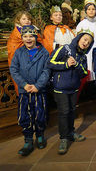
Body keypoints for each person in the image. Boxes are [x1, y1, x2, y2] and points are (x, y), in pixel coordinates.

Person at [47, 29, 94, 155]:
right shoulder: (65, 49)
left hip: (74, 88)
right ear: (79, 38)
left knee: (72, 111)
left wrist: (77, 65)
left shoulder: (83, 56)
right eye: (85, 39)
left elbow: (84, 72)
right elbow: (50, 62)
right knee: (64, 112)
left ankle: (71, 132)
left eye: (89, 42)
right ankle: (63, 138)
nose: (86, 43)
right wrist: (66, 64)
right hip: (60, 87)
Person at [10, 25, 50, 156]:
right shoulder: (19, 52)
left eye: (31, 36)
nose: (29, 39)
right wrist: (24, 84)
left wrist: (38, 85)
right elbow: (14, 70)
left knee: (40, 113)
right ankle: (28, 139)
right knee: (25, 115)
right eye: (25, 36)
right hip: (25, 91)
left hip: (39, 90)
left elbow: (46, 70)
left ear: (36, 37)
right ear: (22, 38)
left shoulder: (43, 52)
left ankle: (40, 135)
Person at [7, 11, 41, 95]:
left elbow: (41, 43)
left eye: (29, 19)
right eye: (24, 19)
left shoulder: (34, 30)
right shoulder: (15, 34)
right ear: (18, 20)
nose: (27, 21)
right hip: (22, 63)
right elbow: (13, 49)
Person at [76, 0, 96, 81]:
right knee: (89, 75)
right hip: (87, 53)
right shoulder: (82, 24)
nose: (91, 11)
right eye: (89, 9)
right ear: (86, 11)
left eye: (93, 9)